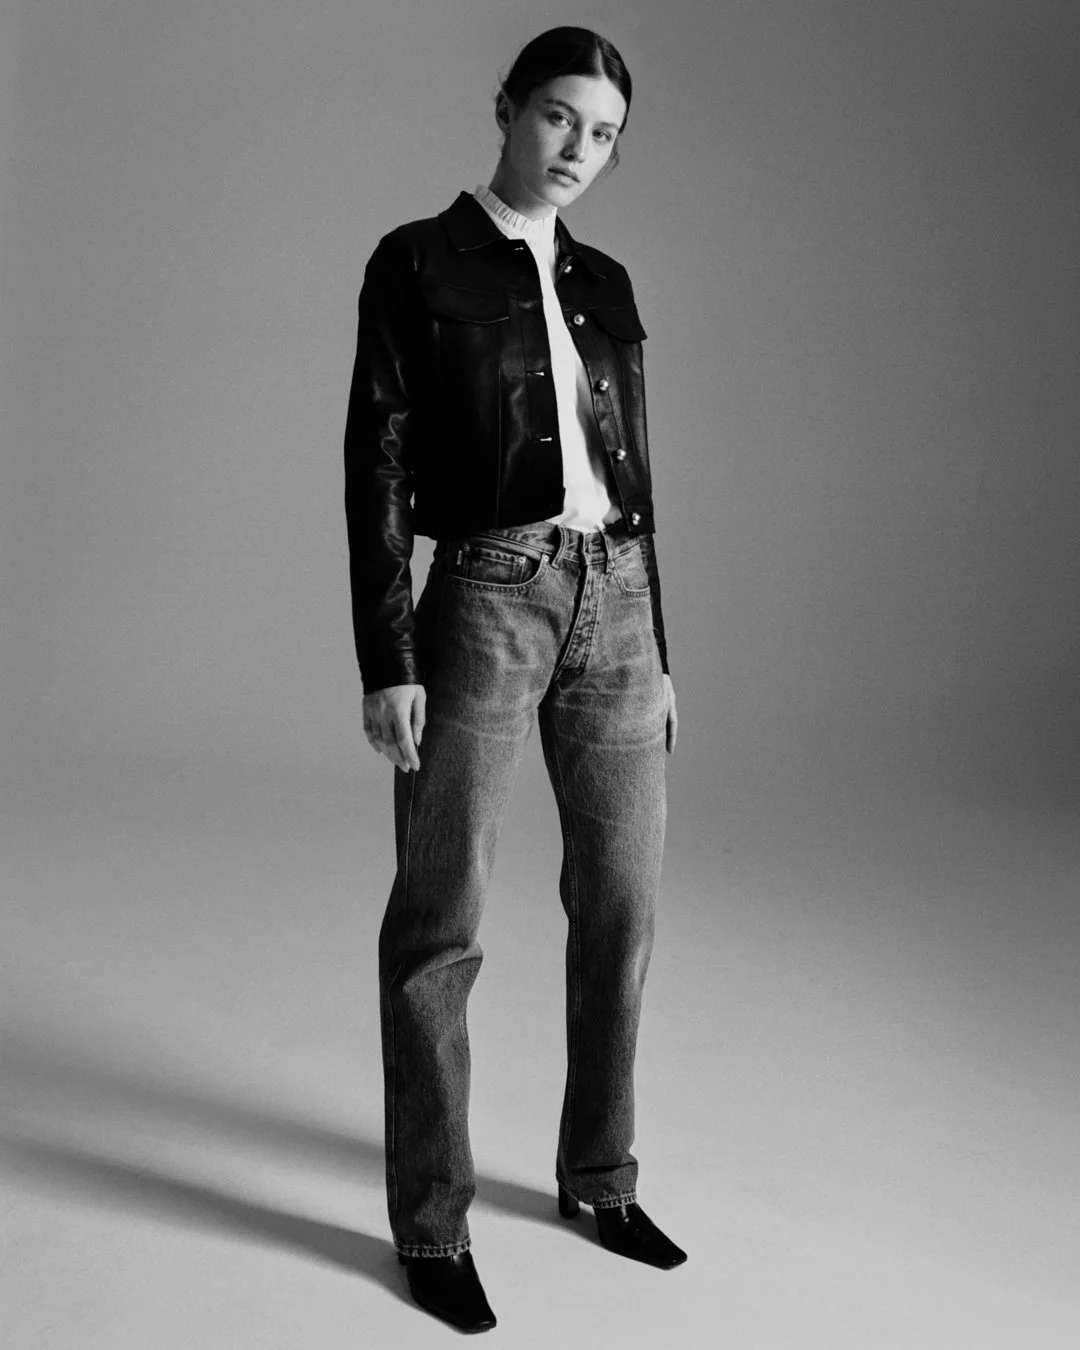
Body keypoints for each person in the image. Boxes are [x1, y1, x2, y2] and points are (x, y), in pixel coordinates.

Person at [343, 26, 686, 1334]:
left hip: (619, 603)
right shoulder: (417, 261)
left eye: (603, 134)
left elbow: (636, 474)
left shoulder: (607, 280)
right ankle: (431, 1225)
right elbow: (376, 461)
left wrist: (662, 650)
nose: (578, 149)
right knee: (442, 923)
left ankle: (601, 1177)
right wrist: (389, 657)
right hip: (487, 595)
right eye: (558, 117)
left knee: (623, 904)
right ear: (506, 109)